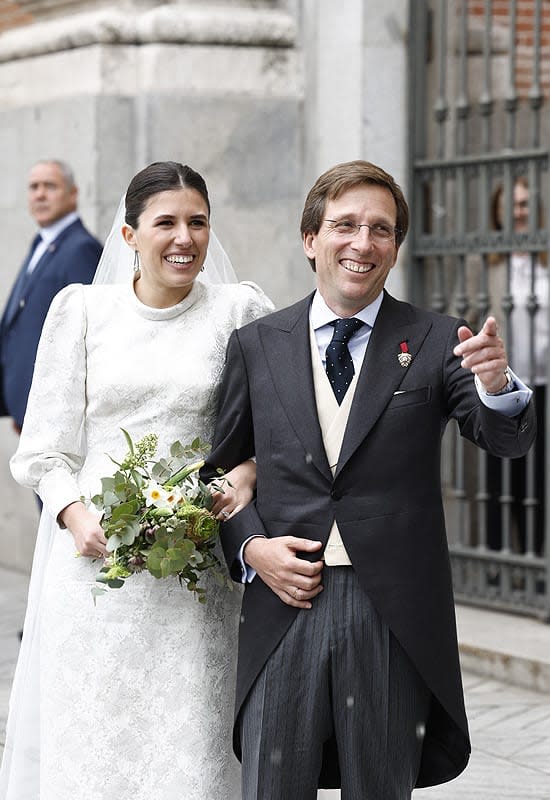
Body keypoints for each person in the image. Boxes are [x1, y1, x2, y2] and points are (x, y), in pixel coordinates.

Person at [204, 160, 536, 799]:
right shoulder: (256, 344)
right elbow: (220, 470)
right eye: (345, 226)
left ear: (395, 247)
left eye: (380, 230)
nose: (363, 243)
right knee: (271, 786)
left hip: (392, 613)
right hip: (284, 602)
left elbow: (503, 439)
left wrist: (497, 387)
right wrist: (251, 548)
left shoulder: (438, 339)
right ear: (311, 239)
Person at [0, 161, 273, 800]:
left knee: (189, 733)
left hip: (197, 566)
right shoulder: (83, 311)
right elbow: (43, 447)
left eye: (198, 222)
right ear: (129, 235)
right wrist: (73, 514)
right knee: (98, 727)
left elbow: (277, 425)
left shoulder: (238, 311)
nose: (185, 237)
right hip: (95, 567)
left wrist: (248, 472)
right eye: (166, 223)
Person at [0, 159, 102, 433]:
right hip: (29, 407)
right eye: (34, 187)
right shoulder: (43, 242)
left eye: (50, 186)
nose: (40, 194)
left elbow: (85, 336)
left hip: (53, 414)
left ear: (73, 193)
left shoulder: (81, 249)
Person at [486, 177, 547, 554]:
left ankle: (534, 562)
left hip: (544, 383)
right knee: (501, 478)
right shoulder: (488, 265)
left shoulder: (545, 260)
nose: (519, 212)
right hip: (504, 387)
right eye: (511, 205)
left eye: (525, 204)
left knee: (538, 479)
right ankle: (496, 566)